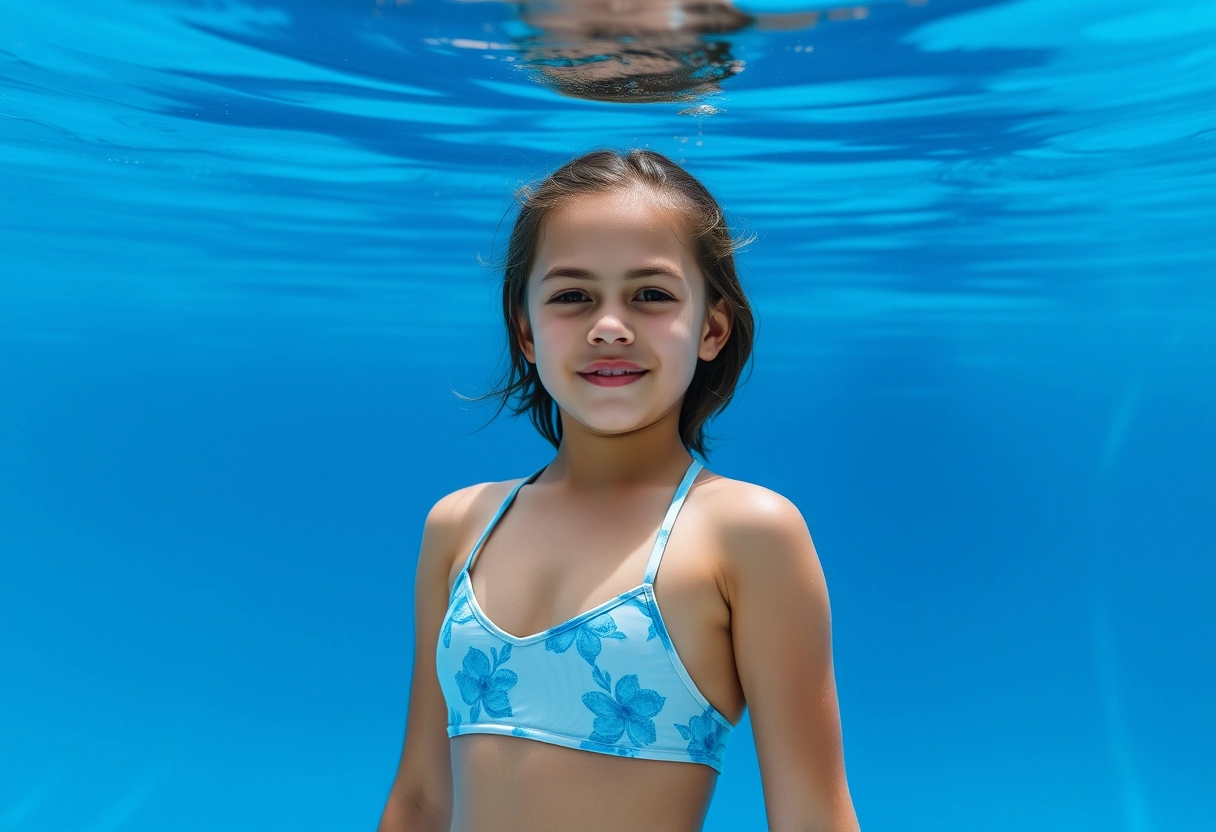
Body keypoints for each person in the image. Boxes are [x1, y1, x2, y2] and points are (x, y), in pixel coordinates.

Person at [377, 149, 859, 832]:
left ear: (713, 328)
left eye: (651, 294)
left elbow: (814, 818)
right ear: (526, 332)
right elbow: (421, 800)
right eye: (573, 296)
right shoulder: (460, 524)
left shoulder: (746, 533)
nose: (609, 325)